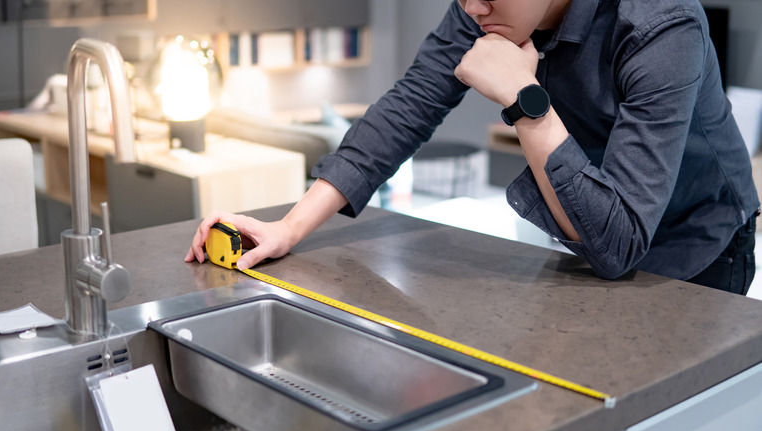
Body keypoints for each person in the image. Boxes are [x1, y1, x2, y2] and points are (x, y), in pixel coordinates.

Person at [187, 0, 759, 295]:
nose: (472, 8)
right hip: (596, 220)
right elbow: (407, 108)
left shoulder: (662, 25)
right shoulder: (486, 5)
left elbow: (621, 242)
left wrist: (523, 100)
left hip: (698, 235)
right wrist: (289, 227)